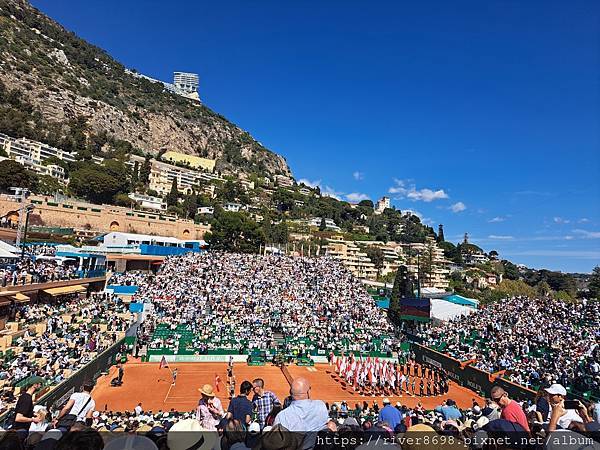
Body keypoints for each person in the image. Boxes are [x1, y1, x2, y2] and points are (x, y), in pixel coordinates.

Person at [273, 377, 328, 449]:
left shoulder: (282, 416)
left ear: (291, 393)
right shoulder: (320, 405)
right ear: (308, 392)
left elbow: (275, 442)